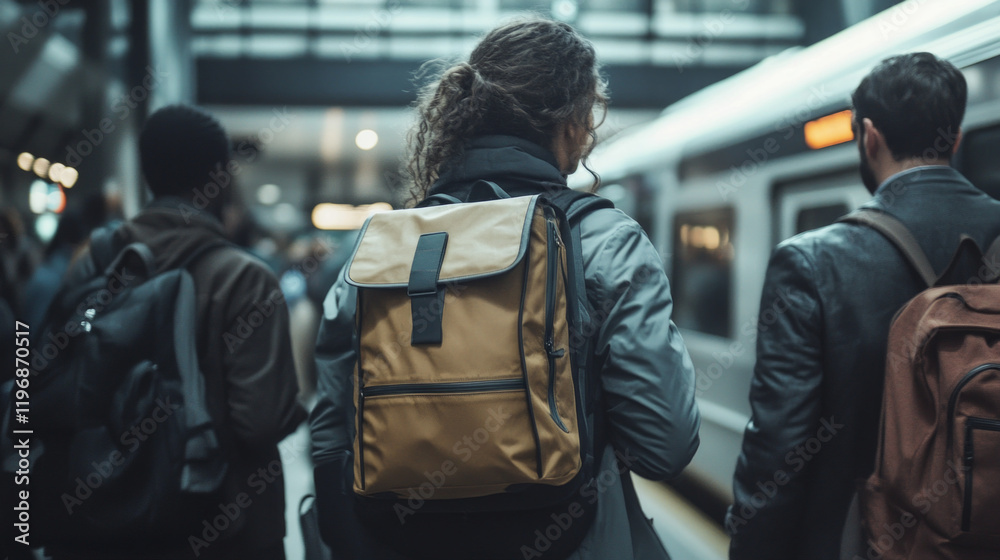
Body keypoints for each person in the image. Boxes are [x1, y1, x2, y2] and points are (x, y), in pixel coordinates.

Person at [309, 17, 700, 560]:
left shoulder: (380, 251)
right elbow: (666, 446)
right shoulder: (604, 240)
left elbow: (332, 427)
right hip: (572, 540)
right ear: (572, 123)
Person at [726, 52, 1000, 559]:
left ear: (869, 135)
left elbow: (780, 446)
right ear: (955, 140)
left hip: (857, 539)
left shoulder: (810, 262)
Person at [47, 105, 306, 559]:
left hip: (105, 524)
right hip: (224, 529)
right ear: (220, 176)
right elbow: (259, 423)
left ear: (148, 176)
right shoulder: (244, 279)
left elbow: (57, 388)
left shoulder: (96, 261)